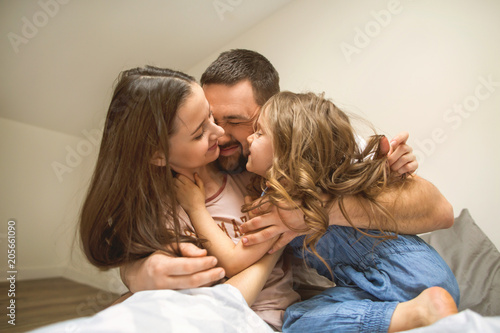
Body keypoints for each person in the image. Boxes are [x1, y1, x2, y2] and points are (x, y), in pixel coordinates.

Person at [121, 49, 454, 292]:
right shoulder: (191, 166)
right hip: (346, 291)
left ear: (274, 114)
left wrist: (317, 210)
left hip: (397, 274)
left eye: (236, 121)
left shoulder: (318, 144)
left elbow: (441, 212)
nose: (220, 134)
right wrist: (137, 272)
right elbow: (132, 248)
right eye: (210, 119)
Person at [241, 90, 459, 332]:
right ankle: (419, 314)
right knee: (301, 315)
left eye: (259, 132)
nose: (250, 138)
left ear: (287, 149)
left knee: (295, 321)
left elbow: (442, 211)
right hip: (415, 276)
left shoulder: (281, 199)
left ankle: (419, 312)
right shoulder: (333, 175)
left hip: (400, 277)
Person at [79, 66, 283, 312]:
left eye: (211, 117)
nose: (219, 132)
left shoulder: (252, 170)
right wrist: (136, 272)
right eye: (199, 134)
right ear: (157, 154)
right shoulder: (157, 213)